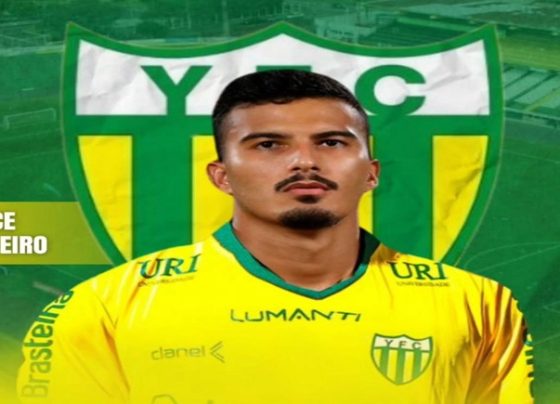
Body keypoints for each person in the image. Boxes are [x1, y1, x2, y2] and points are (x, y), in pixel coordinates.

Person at [18, 70, 533, 403]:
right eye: (268, 145)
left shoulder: (478, 304)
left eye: (331, 143)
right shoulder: (104, 308)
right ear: (221, 175)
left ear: (371, 172)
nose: (305, 161)